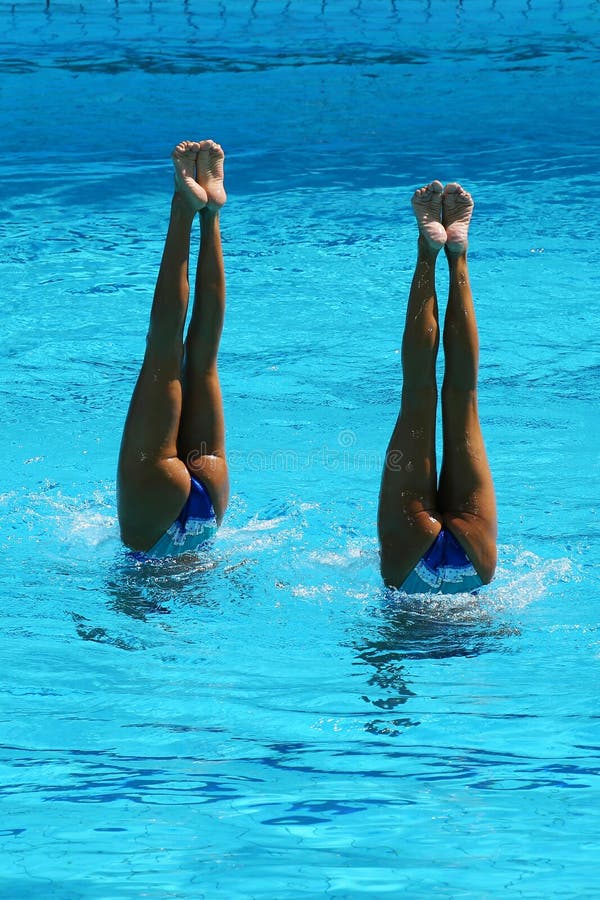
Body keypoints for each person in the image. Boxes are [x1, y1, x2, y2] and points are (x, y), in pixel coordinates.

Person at [377, 181, 497, 593]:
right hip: (410, 560)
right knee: (421, 394)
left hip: (471, 560)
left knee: (459, 395)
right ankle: (433, 252)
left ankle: (453, 255)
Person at [117, 140, 229, 557]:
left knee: (202, 363)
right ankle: (188, 209)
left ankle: (211, 212)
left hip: (206, 512)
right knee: (164, 358)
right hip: (153, 516)